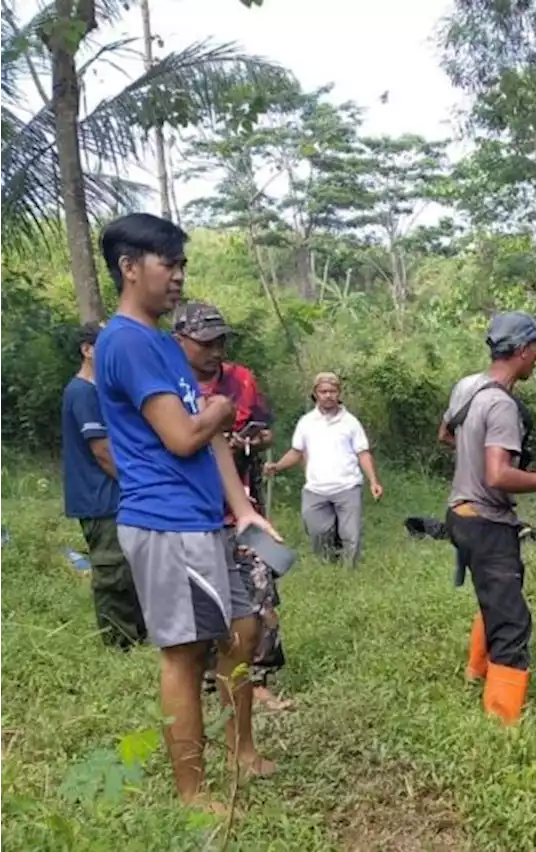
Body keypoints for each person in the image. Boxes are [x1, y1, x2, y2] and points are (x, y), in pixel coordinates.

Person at [94, 212, 281, 809]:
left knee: (243, 631)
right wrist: (221, 413)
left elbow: (214, 436)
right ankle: (193, 792)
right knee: (184, 653)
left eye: (181, 265)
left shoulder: (163, 343)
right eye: (166, 264)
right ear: (129, 268)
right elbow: (184, 435)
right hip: (166, 522)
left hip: (206, 517)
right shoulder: (125, 341)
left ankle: (242, 752)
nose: (177, 277)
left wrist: (243, 508)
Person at [439, 312, 536, 726]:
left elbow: (445, 434)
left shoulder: (467, 387)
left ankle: (477, 670)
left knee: (495, 596)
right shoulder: (500, 404)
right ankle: (501, 718)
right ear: (523, 350)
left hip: (459, 514)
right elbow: (499, 475)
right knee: (512, 620)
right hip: (486, 521)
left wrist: (470, 455)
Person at [172, 300, 290, 712]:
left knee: (262, 591)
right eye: (205, 342)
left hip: (244, 506)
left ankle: (257, 680)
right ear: (180, 340)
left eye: (220, 341)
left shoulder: (241, 379)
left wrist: (249, 441)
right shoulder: (170, 385)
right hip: (191, 514)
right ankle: (209, 680)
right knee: (203, 602)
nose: (215, 350)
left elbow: (267, 433)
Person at [60, 320, 146, 649]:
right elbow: (102, 452)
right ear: (88, 350)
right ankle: (118, 642)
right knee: (112, 571)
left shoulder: (100, 391)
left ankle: (137, 635)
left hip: (114, 495)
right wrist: (137, 486)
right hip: (100, 496)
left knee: (130, 568)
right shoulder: (82, 392)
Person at [265, 373, 383, 568]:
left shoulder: (350, 422)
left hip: (347, 486)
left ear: (339, 393)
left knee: (350, 535)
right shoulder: (306, 422)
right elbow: (297, 451)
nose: (328, 395)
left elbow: (363, 453)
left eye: (332, 391)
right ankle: (328, 568)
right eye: (323, 391)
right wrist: (277, 466)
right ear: (315, 394)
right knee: (318, 532)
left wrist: (373, 481)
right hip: (316, 489)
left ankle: (350, 575)